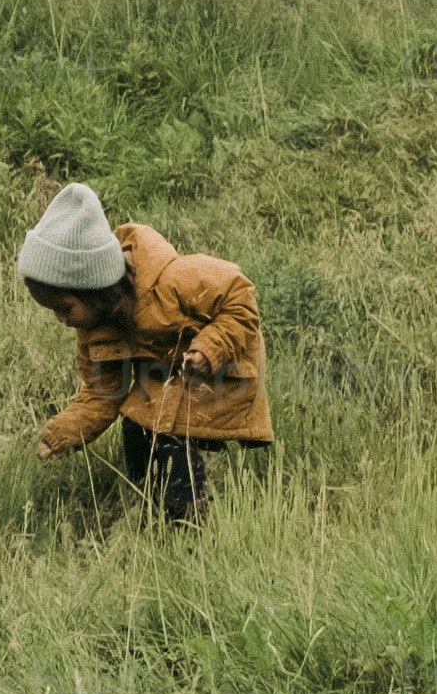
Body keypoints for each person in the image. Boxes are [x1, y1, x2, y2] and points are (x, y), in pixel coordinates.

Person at [17, 179, 269, 519]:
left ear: (93, 287)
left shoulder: (175, 280)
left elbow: (240, 297)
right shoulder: (96, 327)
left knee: (171, 434)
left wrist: (210, 348)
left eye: (65, 307)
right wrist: (64, 432)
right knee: (136, 421)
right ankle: (145, 500)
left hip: (223, 367)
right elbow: (103, 392)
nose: (63, 320)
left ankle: (187, 516)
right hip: (166, 377)